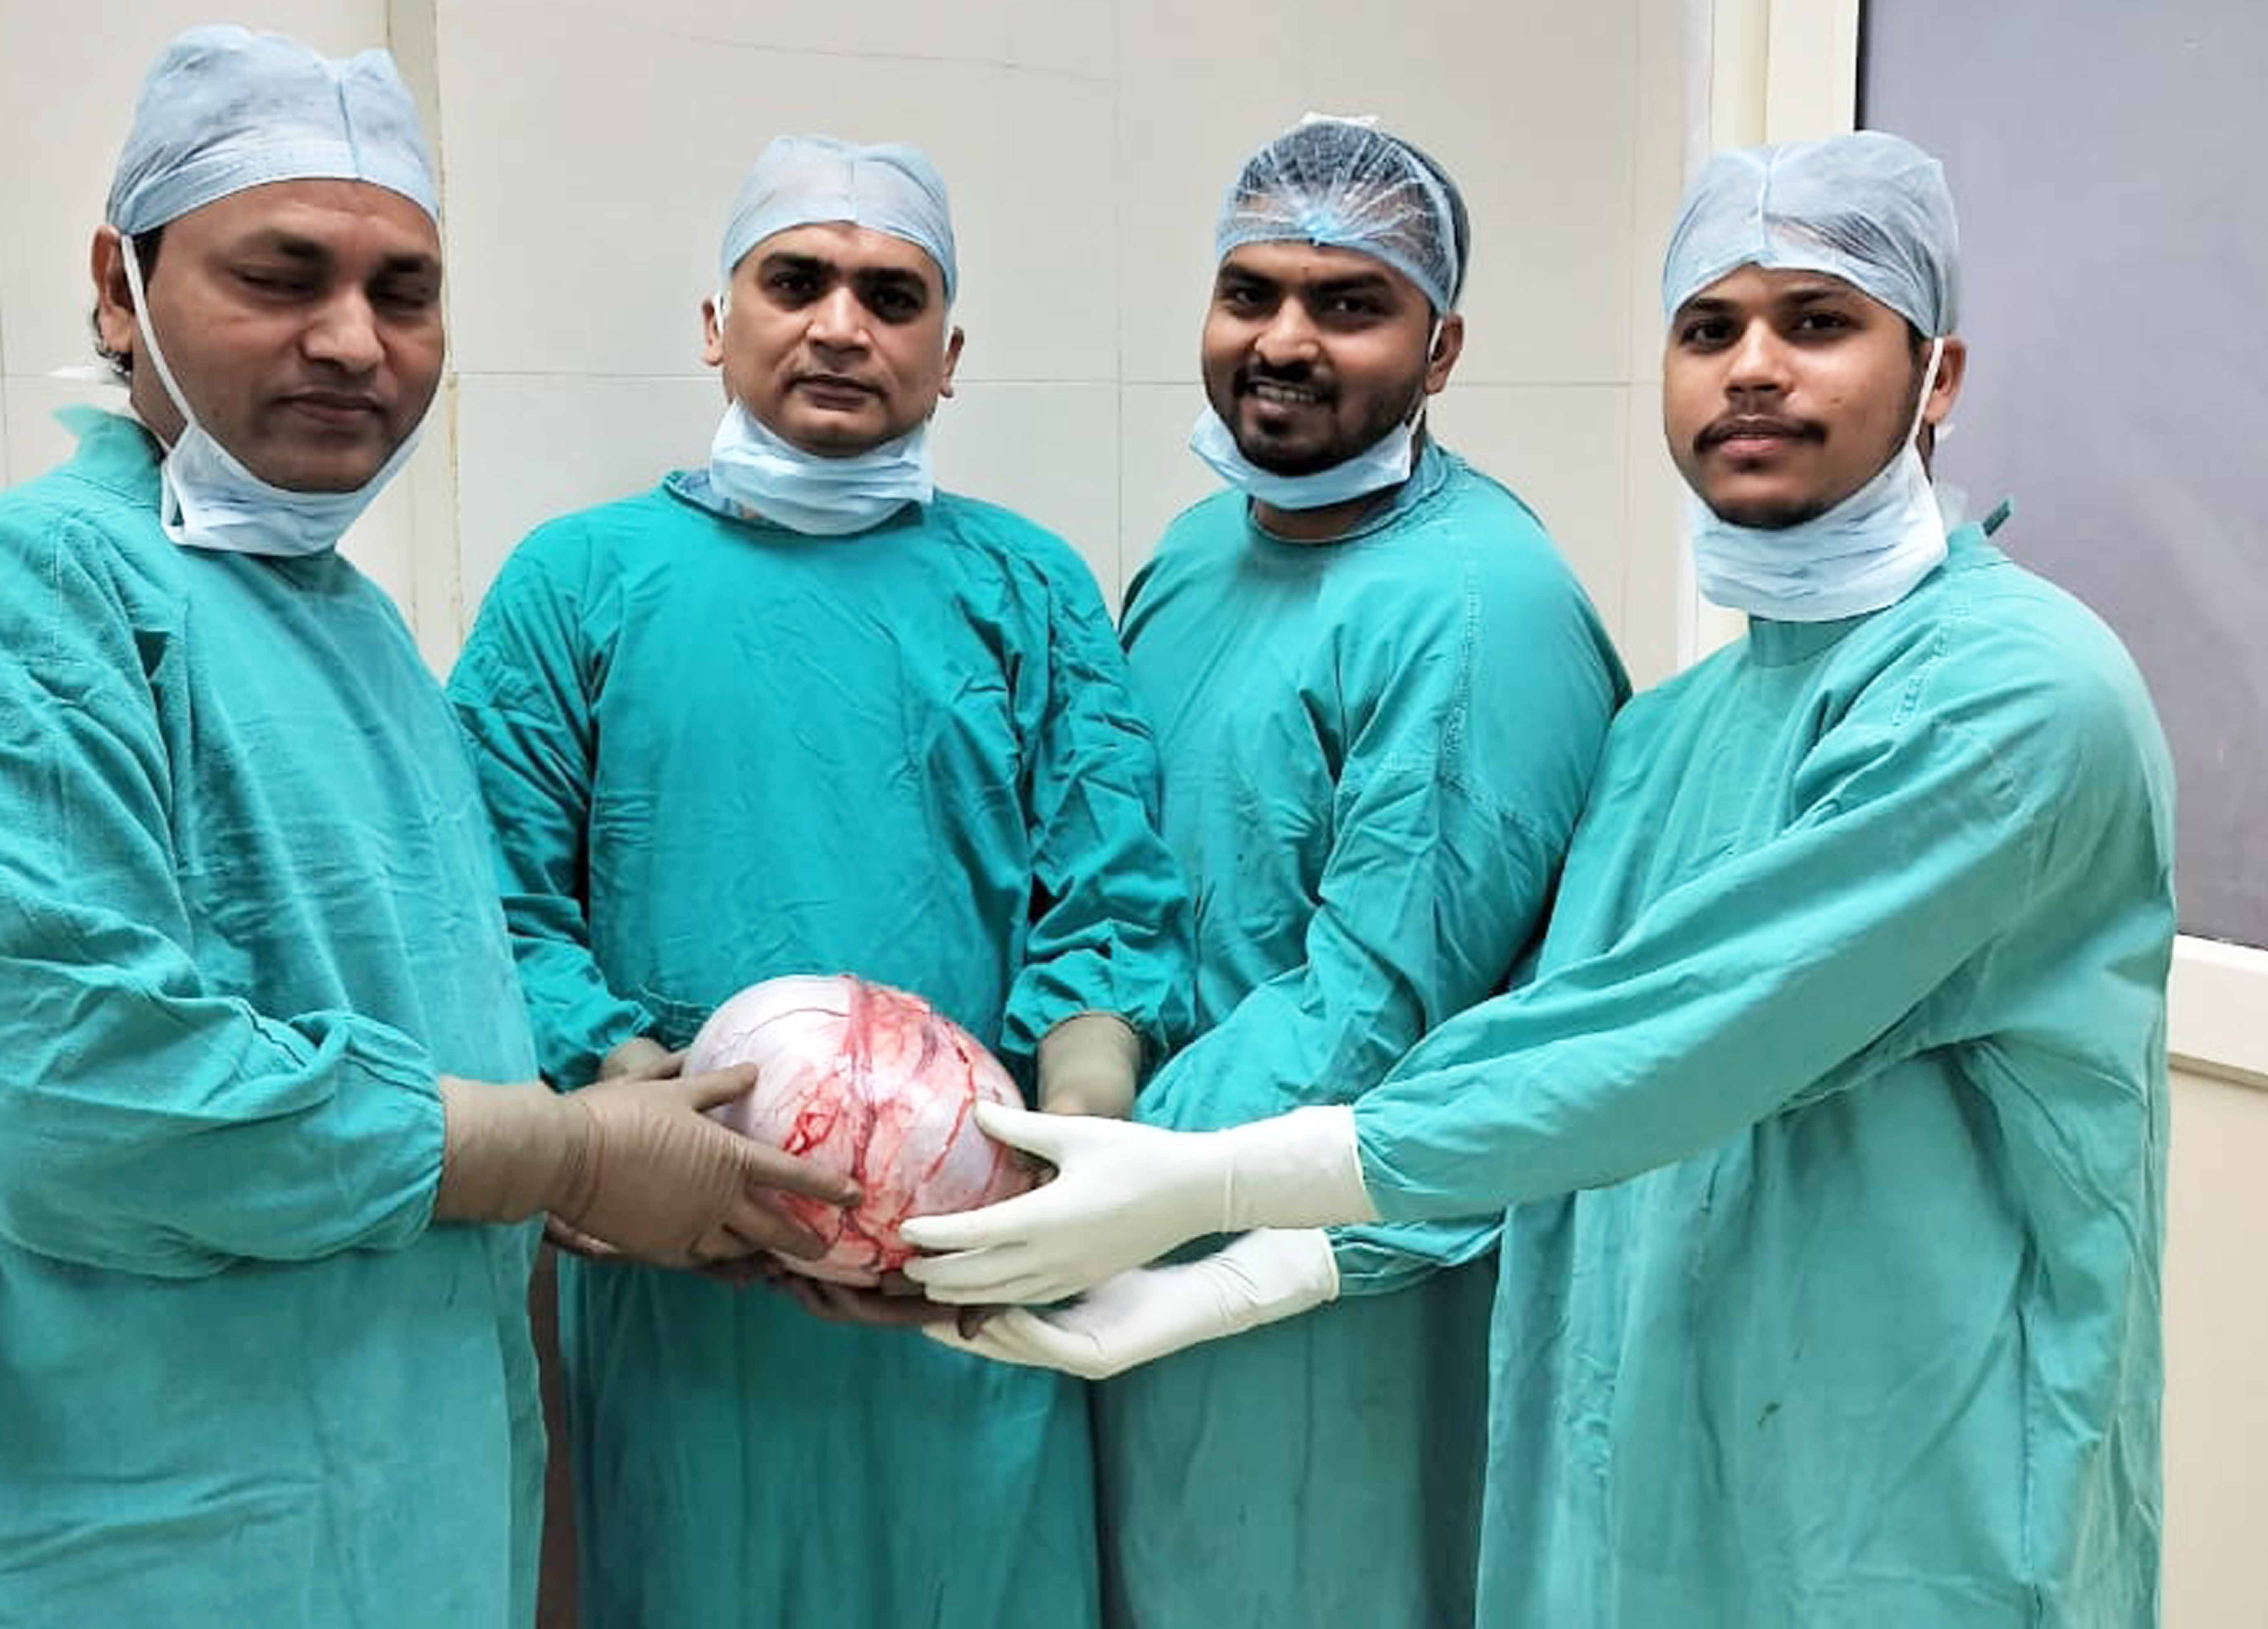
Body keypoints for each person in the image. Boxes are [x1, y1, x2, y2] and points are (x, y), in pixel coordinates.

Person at [909, 131, 2175, 1628]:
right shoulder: (1673, 738)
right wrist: (1260, 1273)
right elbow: (1538, 1083)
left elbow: (1668, 1049)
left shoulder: (2016, 701)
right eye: (1709, 328)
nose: (1752, 370)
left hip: (1899, 1515)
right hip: (1635, 1489)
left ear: (1939, 376)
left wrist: (1210, 1179)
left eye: (1817, 322)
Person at [0, 27, 847, 1629]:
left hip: (394, 1531)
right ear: (118, 288)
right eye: (281, 277)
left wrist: (621, 1150)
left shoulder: (353, 636)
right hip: (111, 1548)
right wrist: (565, 1153)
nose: (353, 341)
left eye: (403, 292)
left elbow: (419, 1044)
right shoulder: (5, 601)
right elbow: (83, 1101)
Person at [446, 135, 1192, 1629]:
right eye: (796, 283)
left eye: (892, 296)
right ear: (715, 323)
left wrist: (1070, 1151)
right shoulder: (574, 584)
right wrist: (642, 1114)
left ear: (950, 356)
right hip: (680, 1277)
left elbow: (1109, 901)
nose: (842, 326)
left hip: (969, 1277)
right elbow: (495, 903)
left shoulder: (1029, 587)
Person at [1095, 117, 1623, 1629]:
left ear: (1441, 347)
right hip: (1145, 1218)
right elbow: (1131, 880)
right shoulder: (1198, 553)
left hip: (1328, 1277)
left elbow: (1378, 1009)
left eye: (1349, 305)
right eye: (1249, 293)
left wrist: (1100, 1164)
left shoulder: (1480, 607)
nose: (1284, 342)